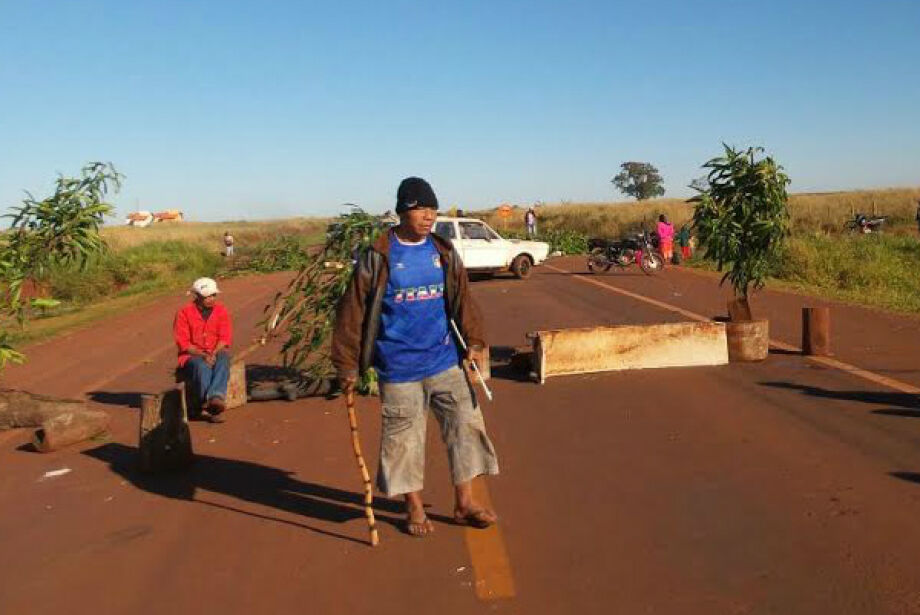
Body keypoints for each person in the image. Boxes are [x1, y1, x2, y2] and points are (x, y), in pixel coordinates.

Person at [332, 176, 499, 537]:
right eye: (421, 209)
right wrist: (346, 365)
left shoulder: (442, 251)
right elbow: (352, 313)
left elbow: (463, 302)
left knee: (466, 428)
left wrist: (474, 341)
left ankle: (464, 502)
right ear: (403, 211)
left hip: (445, 361)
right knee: (403, 441)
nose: (429, 216)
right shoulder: (378, 257)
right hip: (399, 368)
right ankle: (414, 508)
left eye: (433, 210)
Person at [173, 277, 233, 423]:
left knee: (224, 359)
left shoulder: (221, 311)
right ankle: (209, 406)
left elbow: (224, 338)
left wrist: (212, 353)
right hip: (192, 356)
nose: (211, 299)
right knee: (202, 366)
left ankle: (215, 397)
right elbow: (183, 343)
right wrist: (202, 355)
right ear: (197, 297)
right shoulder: (183, 313)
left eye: (213, 295)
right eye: (207, 296)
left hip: (215, 351)